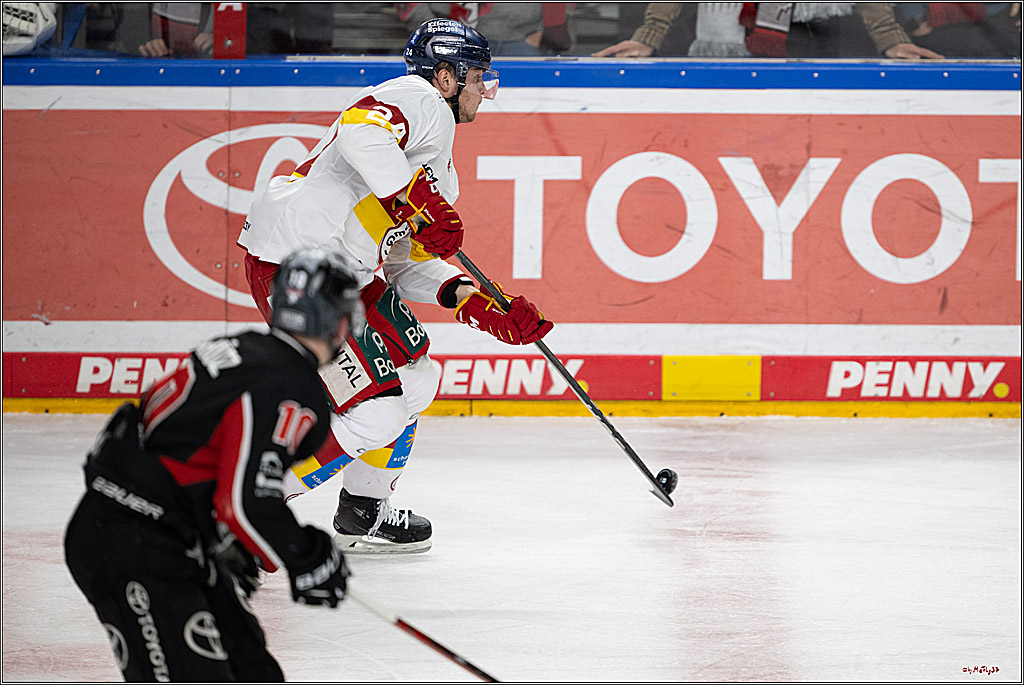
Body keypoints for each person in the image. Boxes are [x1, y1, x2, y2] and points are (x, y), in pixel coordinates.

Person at [237, 17, 553, 555]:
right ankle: (248, 510)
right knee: (378, 410)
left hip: (351, 274)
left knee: (418, 378)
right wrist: (413, 197)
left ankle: (363, 509)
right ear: (447, 77)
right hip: (298, 264)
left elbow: (404, 264)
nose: (485, 90)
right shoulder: (416, 96)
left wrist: (479, 304)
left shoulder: (440, 166)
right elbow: (362, 130)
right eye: (479, 77)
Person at [63, 248, 362, 681]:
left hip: (158, 533)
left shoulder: (245, 349)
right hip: (133, 544)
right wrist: (306, 555)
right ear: (337, 321)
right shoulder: (291, 384)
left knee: (253, 673)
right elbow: (245, 502)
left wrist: (229, 542)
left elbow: (194, 457)